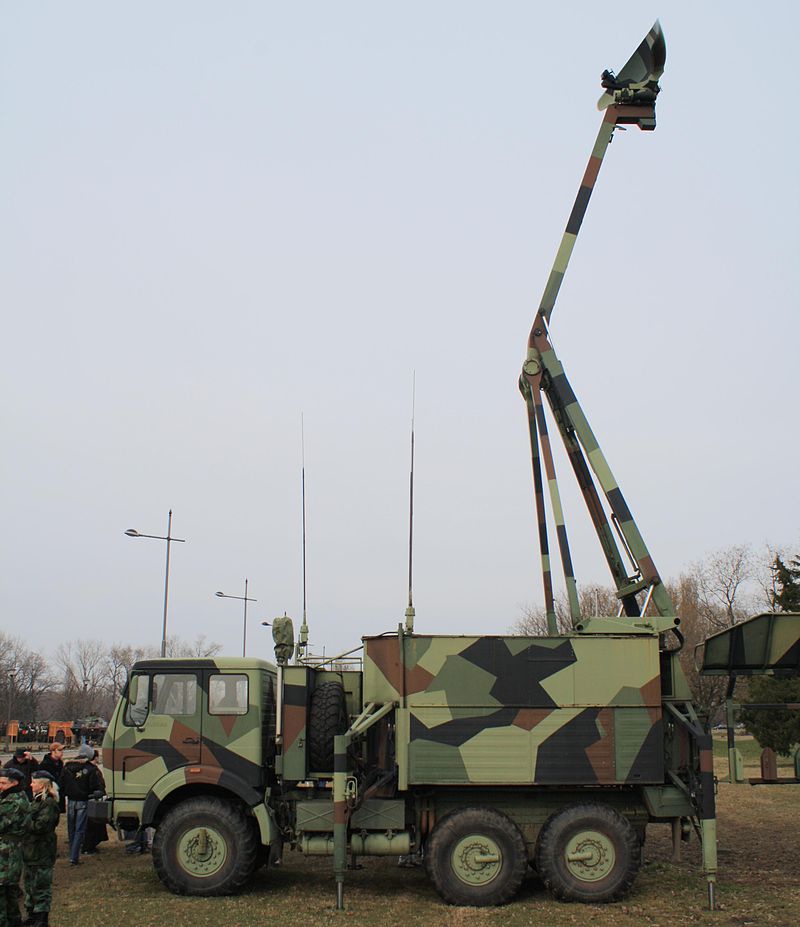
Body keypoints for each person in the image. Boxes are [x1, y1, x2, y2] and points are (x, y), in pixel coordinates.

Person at [21, 771, 59, 927]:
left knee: (41, 884)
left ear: (42, 784)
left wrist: (24, 820)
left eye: (34, 782)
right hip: (30, 850)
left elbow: (41, 826)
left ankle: (41, 918)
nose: (31, 785)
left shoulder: (48, 803)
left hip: (42, 850)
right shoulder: (36, 801)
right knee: (30, 884)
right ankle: (32, 914)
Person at [60, 745, 102, 866]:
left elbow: (61, 783)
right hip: (83, 800)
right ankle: (74, 857)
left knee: (71, 829)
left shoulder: (67, 767)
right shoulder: (90, 769)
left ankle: (72, 853)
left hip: (70, 800)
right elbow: (94, 786)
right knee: (80, 830)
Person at [0, 767, 30, 927]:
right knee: (9, 889)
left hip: (7, 851)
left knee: (4, 888)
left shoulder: (13, 801)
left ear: (15, 783)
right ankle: (14, 921)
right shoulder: (15, 796)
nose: (0, 786)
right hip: (10, 849)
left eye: (3, 783)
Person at [81, 754, 107, 855]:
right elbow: (96, 784)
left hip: (89, 798)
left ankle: (88, 845)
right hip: (94, 799)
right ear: (95, 757)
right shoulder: (93, 770)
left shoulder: (86, 769)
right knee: (93, 824)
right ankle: (89, 846)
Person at [35, 748, 63, 815]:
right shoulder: (45, 763)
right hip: (48, 789)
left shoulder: (60, 763)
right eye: (59, 750)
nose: (62, 752)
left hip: (59, 789)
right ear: (53, 751)